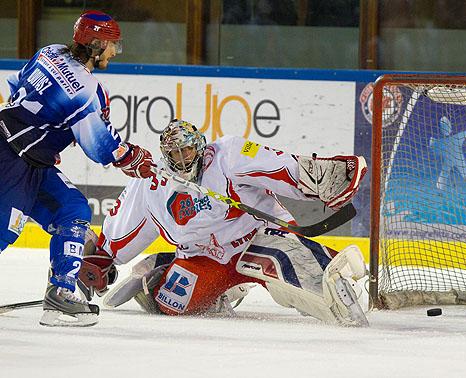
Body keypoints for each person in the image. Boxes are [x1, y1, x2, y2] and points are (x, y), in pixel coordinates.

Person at [79, 119, 370, 326]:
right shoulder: (151, 184)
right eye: (175, 154)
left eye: (187, 150)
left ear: (199, 146)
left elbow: (281, 167)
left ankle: (329, 281)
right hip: (206, 258)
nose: (182, 159)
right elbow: (123, 228)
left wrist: (324, 177)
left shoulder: (228, 154)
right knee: (174, 304)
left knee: (286, 268)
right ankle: (168, 268)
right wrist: (103, 258)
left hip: (257, 237)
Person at [0, 10, 155, 327]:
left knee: (72, 209)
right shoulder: (87, 90)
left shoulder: (50, 51)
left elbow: (17, 87)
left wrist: (40, 136)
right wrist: (133, 157)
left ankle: (60, 296)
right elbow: (101, 147)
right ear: (97, 44)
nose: (114, 52)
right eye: (112, 45)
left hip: (27, 155)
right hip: (12, 158)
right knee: (4, 229)